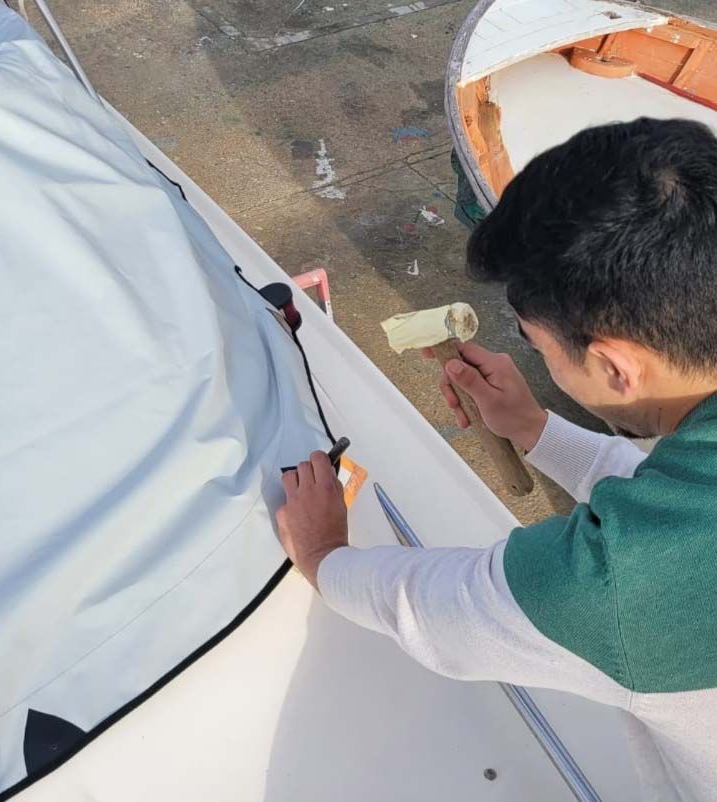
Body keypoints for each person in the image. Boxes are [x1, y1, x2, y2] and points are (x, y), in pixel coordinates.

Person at [276, 117, 717, 802]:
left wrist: (323, 556)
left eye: (533, 339)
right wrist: (539, 431)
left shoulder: (615, 585)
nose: (531, 350)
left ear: (613, 365)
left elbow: (434, 610)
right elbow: (687, 497)